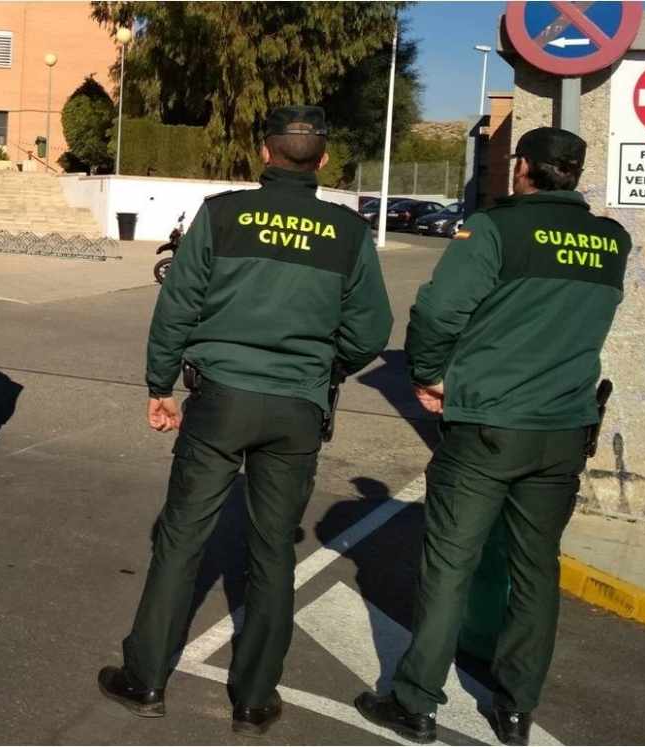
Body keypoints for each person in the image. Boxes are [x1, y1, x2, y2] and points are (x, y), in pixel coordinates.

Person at [97, 106, 392, 735]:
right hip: (298, 409)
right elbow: (370, 331)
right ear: (324, 160)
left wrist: (160, 383)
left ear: (264, 154)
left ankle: (145, 678)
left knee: (181, 539)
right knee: (272, 552)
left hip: (220, 399)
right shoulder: (347, 232)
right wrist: (322, 368)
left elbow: (178, 302)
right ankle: (254, 700)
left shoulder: (223, 215)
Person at [354, 126, 632, 746]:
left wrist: (427, 375)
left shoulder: (497, 229)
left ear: (525, 168)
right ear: (575, 173)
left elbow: (437, 311)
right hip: (563, 428)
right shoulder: (612, 240)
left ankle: (416, 701)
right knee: (536, 570)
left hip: (487, 425)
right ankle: (515, 708)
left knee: (450, 565)